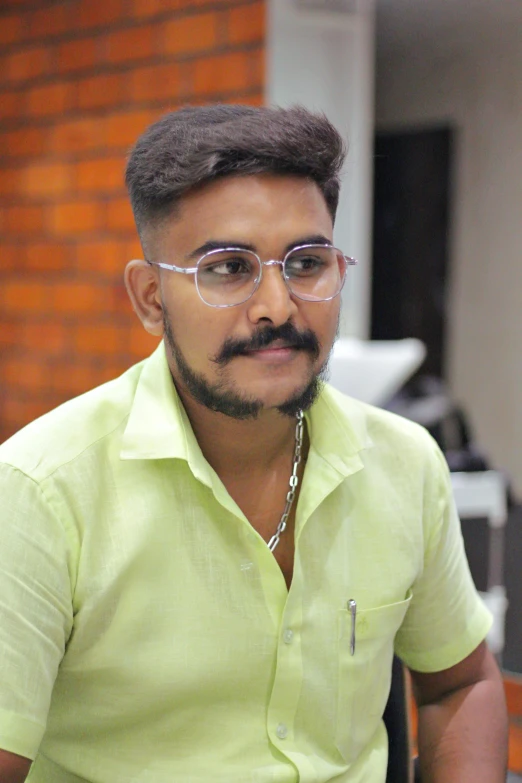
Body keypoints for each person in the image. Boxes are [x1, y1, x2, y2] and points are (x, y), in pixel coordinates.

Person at [0, 104, 508, 783]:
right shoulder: (40, 492)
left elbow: (460, 682)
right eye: (228, 268)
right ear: (151, 297)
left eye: (307, 262)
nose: (277, 304)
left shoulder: (405, 462)